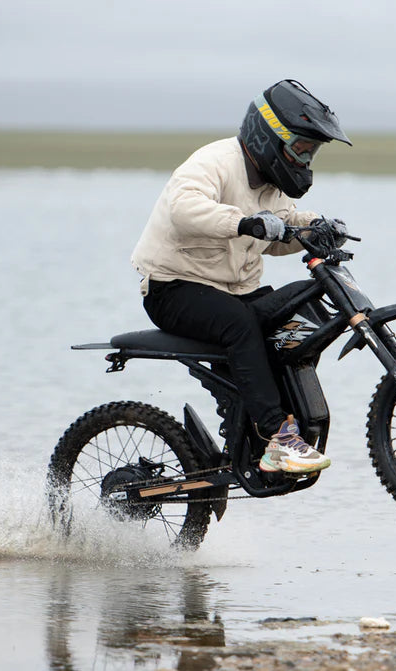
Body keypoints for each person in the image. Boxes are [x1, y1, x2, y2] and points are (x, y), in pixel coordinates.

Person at [131, 79, 351, 474]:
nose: (305, 159)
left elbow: (278, 231)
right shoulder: (214, 161)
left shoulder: (269, 183)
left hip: (233, 290)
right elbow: (184, 208)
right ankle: (276, 436)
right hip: (173, 287)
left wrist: (316, 227)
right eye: (301, 149)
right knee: (239, 324)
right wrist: (244, 222)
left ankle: (257, 425)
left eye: (311, 152)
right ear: (270, 137)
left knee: (301, 310)